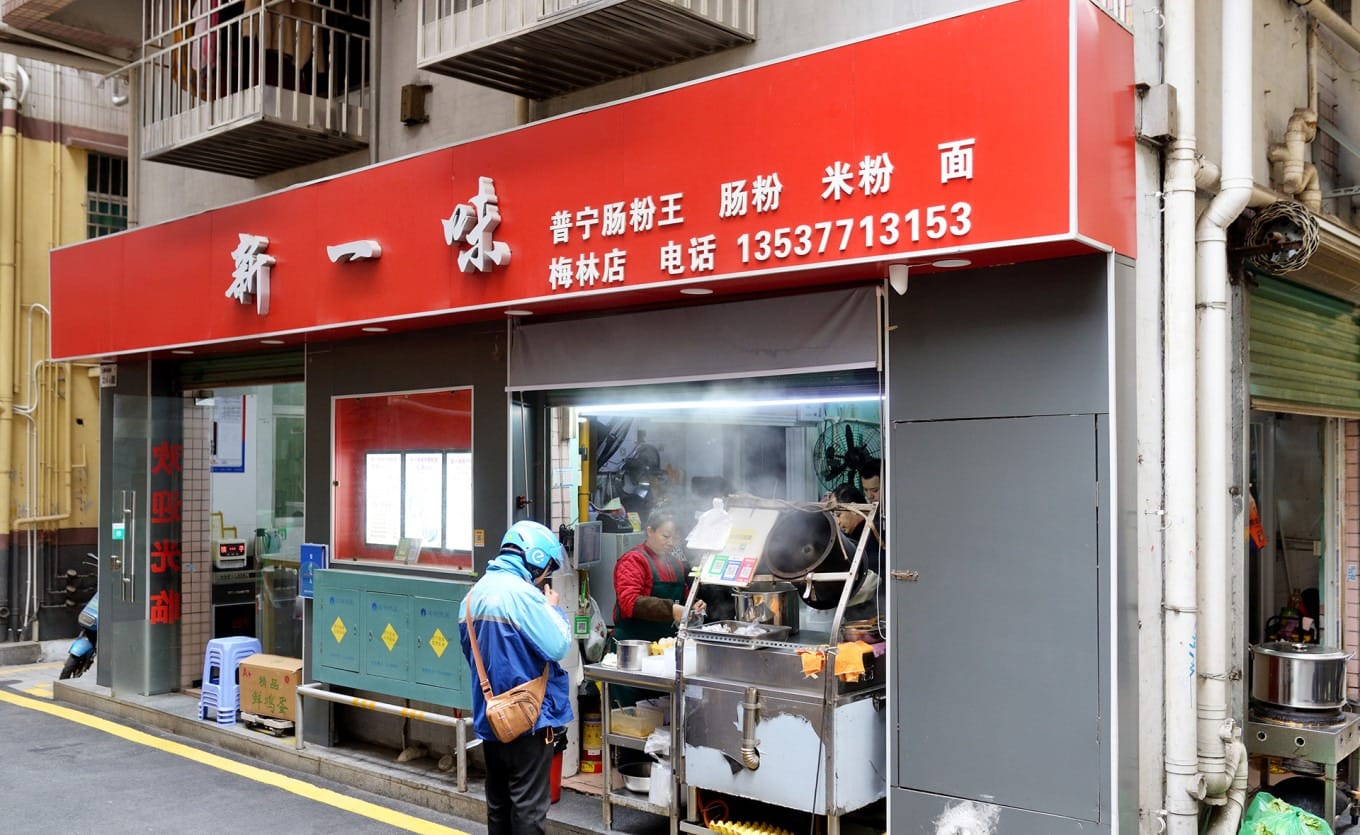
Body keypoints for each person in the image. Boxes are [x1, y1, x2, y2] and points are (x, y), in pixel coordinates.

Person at [459, 520, 573, 835]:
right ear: (535, 557)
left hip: (491, 717)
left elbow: (471, 652)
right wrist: (552, 609)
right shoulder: (524, 596)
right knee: (528, 810)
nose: (543, 577)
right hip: (528, 720)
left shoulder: (472, 596)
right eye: (546, 569)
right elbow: (559, 644)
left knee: (499, 806)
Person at [611, 509, 705, 705]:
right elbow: (630, 602)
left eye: (675, 538)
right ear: (649, 531)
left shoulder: (676, 563)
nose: (670, 543)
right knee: (631, 716)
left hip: (664, 658)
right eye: (665, 536)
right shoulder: (634, 560)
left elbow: (685, 597)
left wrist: (694, 605)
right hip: (633, 656)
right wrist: (671, 610)